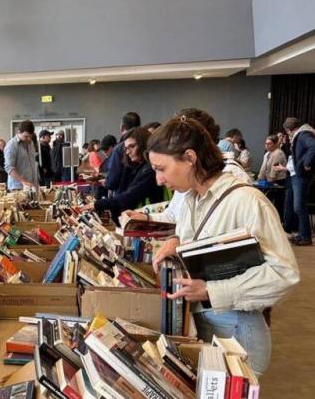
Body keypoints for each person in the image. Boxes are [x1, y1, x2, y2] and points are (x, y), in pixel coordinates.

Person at [149, 117, 299, 376]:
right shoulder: (190, 199)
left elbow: (284, 274)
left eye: (162, 168)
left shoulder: (247, 202)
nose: (159, 179)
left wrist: (211, 290)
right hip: (205, 327)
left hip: (237, 335)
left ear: (190, 157)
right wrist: (176, 241)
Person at [82, 128, 163, 220]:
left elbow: (130, 196)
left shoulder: (149, 169)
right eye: (127, 148)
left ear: (143, 145)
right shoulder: (140, 167)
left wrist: (98, 204)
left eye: (132, 146)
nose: (128, 152)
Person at [281, 117, 315, 245]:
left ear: (289, 130)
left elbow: (314, 147)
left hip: (301, 176)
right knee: (298, 207)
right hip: (298, 176)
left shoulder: (302, 135)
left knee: (299, 207)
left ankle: (305, 237)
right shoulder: (303, 134)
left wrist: (306, 164)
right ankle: (302, 235)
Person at [106, 112, 142, 194]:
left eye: (132, 147)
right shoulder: (146, 143)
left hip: (123, 196)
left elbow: (112, 181)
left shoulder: (118, 149)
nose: (128, 151)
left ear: (121, 127)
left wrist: (106, 182)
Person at [4, 120, 40, 190]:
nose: (29, 139)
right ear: (18, 132)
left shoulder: (31, 143)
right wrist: (24, 182)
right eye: (26, 136)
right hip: (18, 187)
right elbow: (9, 168)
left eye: (30, 136)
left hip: (31, 186)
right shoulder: (11, 145)